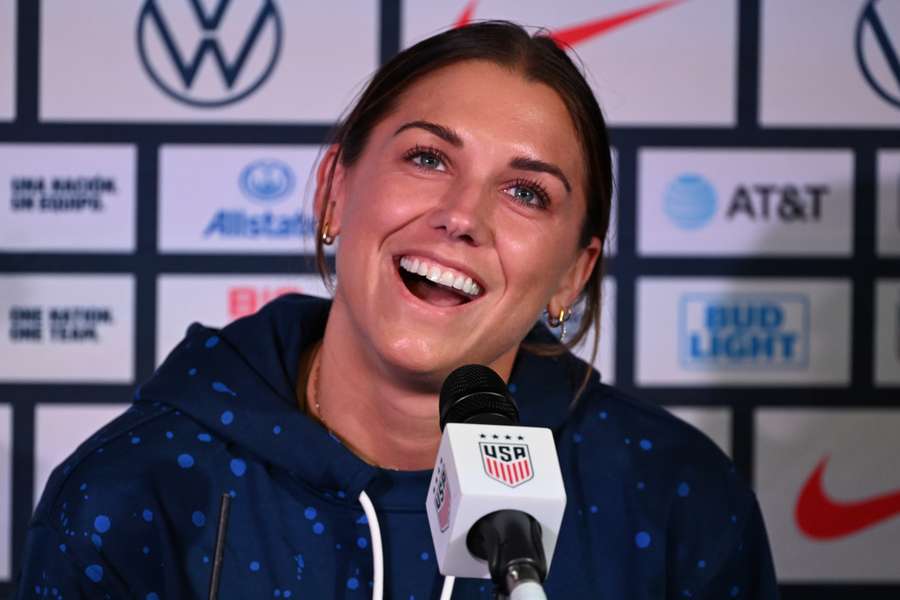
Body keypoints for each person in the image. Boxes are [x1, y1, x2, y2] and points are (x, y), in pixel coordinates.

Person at [16, 21, 778, 599]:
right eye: (428, 157)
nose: (461, 215)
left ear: (572, 275)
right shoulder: (129, 489)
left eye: (526, 192)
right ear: (335, 192)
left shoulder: (678, 499)